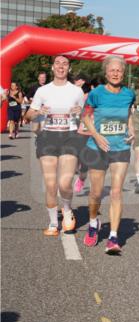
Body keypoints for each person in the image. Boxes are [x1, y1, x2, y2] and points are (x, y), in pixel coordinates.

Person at [25, 56, 85, 235]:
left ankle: (66, 208)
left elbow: (85, 117)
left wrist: (80, 112)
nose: (61, 66)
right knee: (51, 184)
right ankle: (53, 223)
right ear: (52, 68)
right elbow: (28, 116)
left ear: (69, 68)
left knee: (65, 183)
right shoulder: (43, 91)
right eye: (58, 63)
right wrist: (37, 112)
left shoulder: (77, 91)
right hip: (47, 137)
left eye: (65, 64)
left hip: (70, 137)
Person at [80, 56, 135, 253]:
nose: (115, 73)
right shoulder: (96, 94)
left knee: (116, 192)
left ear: (123, 73)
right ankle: (93, 222)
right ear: (106, 73)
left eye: (119, 70)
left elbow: (128, 114)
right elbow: (85, 117)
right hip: (97, 147)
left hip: (121, 147)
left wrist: (131, 130)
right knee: (96, 193)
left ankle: (113, 236)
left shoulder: (129, 94)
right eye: (112, 70)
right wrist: (96, 135)